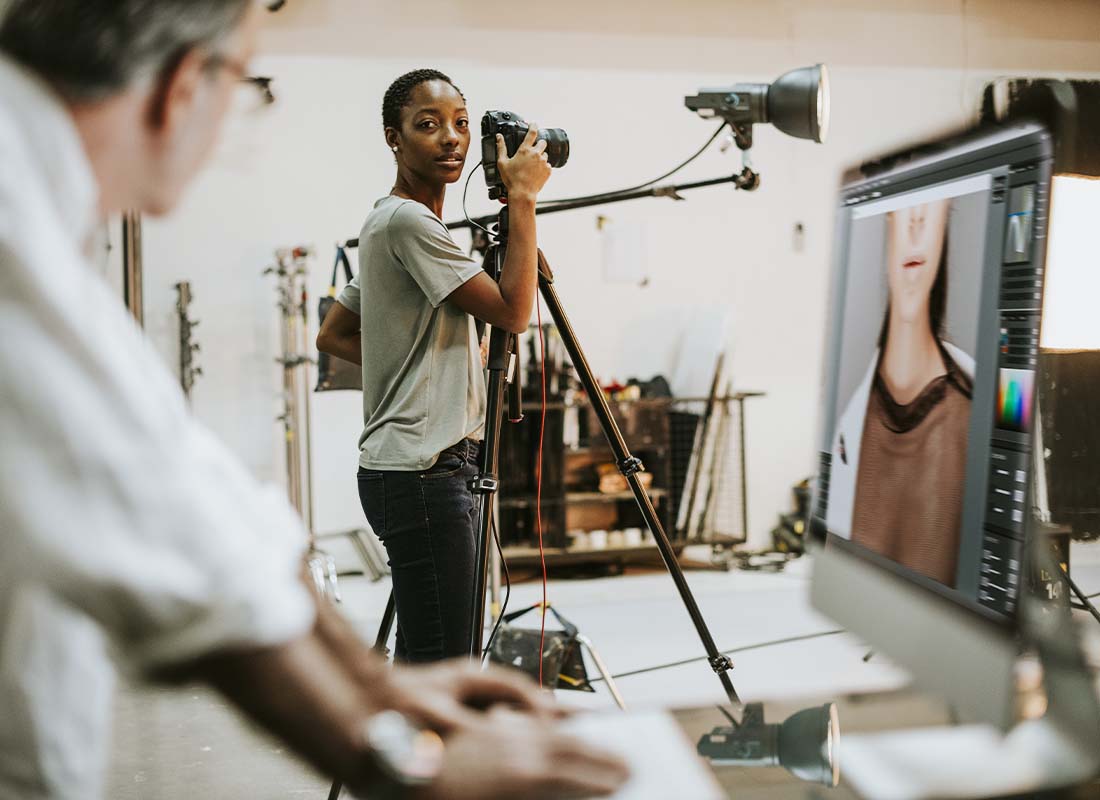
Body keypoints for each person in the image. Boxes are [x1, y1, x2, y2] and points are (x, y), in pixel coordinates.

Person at [0, 2, 627, 798]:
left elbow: (212, 500)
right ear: (185, 86)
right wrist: (403, 753)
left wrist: (380, 692)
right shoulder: (15, 231)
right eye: (248, 89)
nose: (453, 138)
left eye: (461, 122)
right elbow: (179, 537)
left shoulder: (36, 206)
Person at [317, 69, 550, 662]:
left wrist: (412, 364)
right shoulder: (410, 223)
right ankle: (415, 753)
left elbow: (333, 333)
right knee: (444, 662)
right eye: (427, 125)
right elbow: (513, 312)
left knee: (431, 651)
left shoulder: (383, 220)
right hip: (425, 473)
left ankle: (411, 748)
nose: (451, 138)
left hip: (411, 470)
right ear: (393, 138)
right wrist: (522, 200)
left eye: (461, 124)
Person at [827, 199, 974, 587]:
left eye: (932, 206)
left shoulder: (970, 413)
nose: (917, 222)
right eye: (904, 208)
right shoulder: (852, 419)